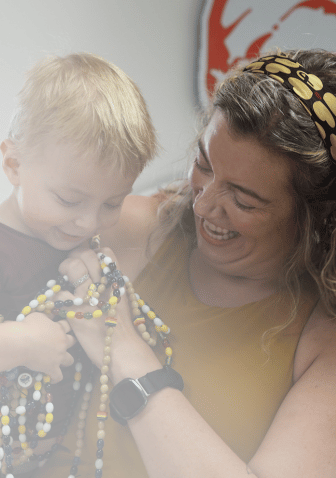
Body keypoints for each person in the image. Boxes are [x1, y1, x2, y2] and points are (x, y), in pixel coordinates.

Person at [34, 48, 336, 478]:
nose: (204, 205)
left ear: (315, 216)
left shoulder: (323, 339)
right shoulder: (139, 230)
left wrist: (126, 351)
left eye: (243, 200)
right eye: (203, 165)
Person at [0, 52, 157, 477]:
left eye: (112, 203)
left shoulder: (76, 243)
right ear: (14, 165)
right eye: (69, 199)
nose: (88, 222)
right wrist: (19, 342)